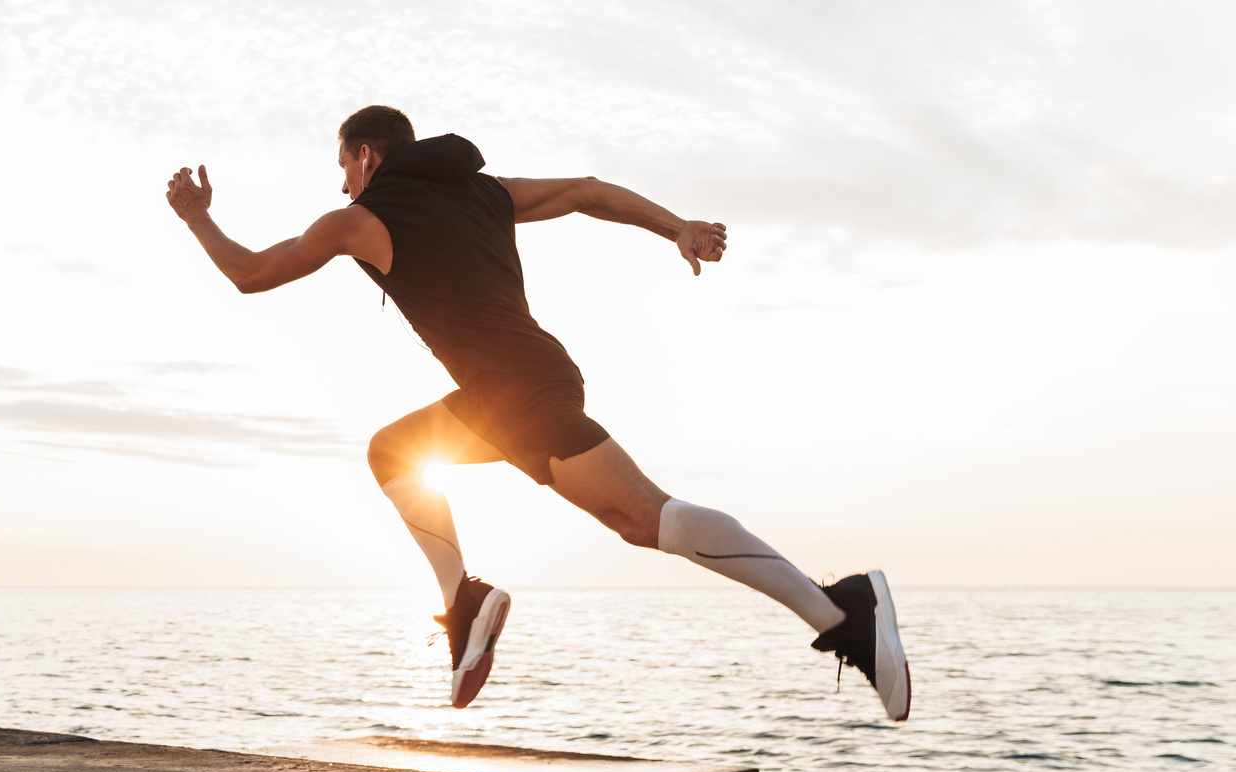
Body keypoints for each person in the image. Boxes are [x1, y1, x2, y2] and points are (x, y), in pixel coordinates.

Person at [166, 105, 910, 721]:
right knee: (394, 452)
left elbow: (253, 273)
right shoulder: (485, 192)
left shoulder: (359, 219)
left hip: (516, 391)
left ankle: (842, 614)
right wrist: (675, 226)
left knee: (646, 517)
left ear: (364, 155)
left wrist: (198, 219)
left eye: (343, 168)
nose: (343, 182)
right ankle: (466, 601)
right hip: (513, 387)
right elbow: (587, 191)